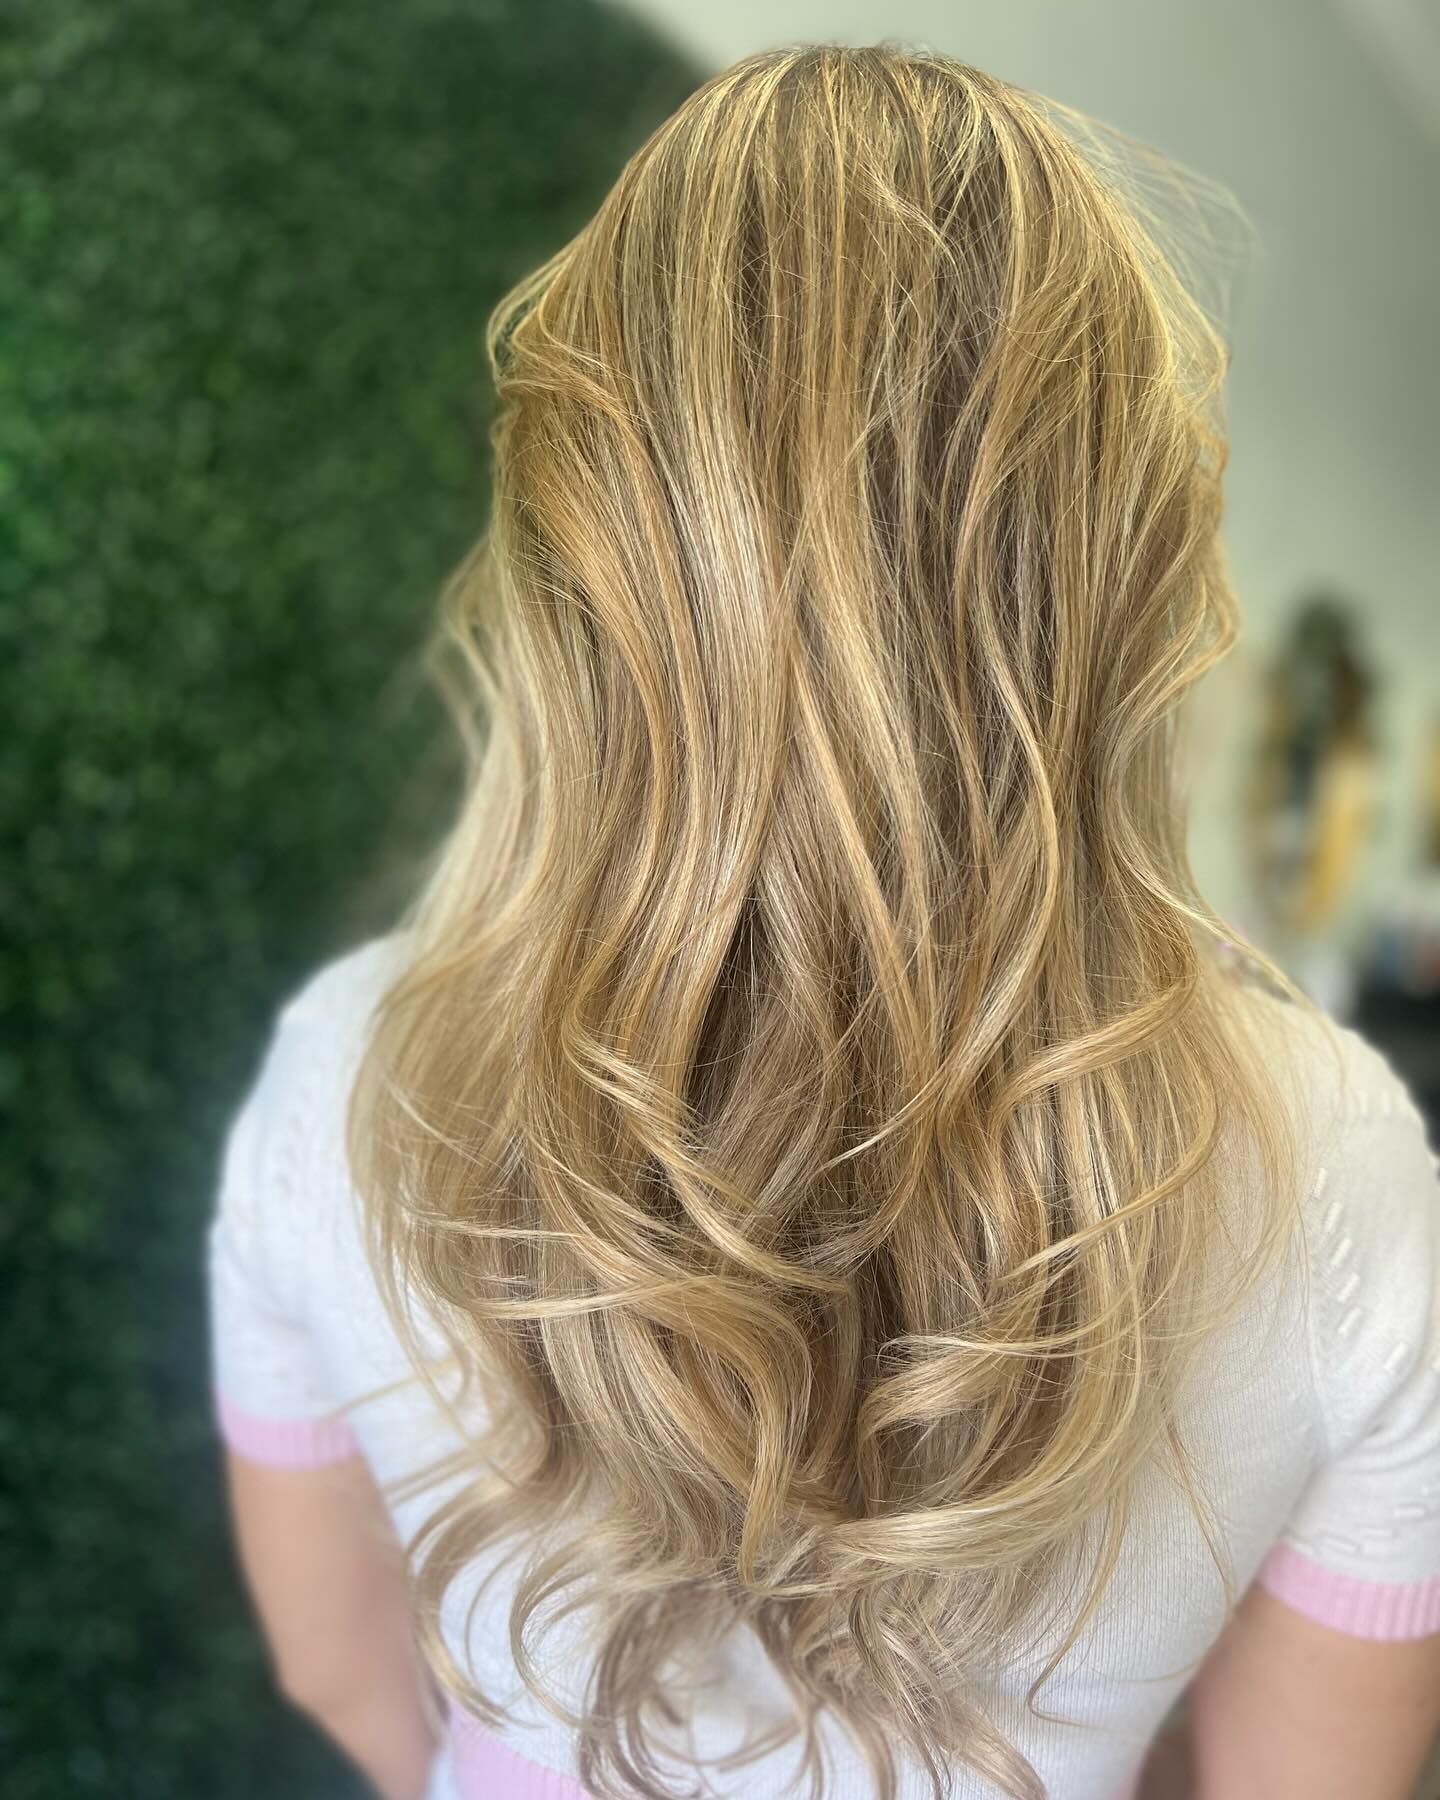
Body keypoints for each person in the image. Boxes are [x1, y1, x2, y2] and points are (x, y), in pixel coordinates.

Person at [207, 43, 1440, 1800]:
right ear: (1129, 591)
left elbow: (338, 1667)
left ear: (579, 558)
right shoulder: (1337, 1171)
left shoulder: (343, 1073)